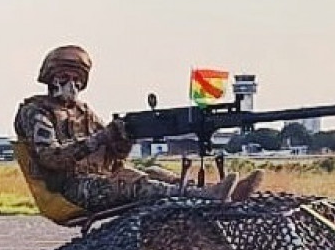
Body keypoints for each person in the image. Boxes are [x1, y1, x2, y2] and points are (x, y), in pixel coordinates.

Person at [13, 45, 263, 218]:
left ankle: (217, 191)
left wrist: (124, 138)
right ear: (51, 77)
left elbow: (117, 155)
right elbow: (51, 157)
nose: (73, 83)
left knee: (154, 172)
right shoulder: (37, 111)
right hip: (71, 188)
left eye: (78, 78)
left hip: (100, 178)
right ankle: (207, 196)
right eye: (66, 75)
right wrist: (104, 136)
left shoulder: (83, 111)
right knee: (138, 184)